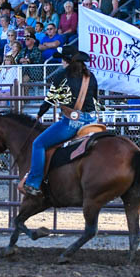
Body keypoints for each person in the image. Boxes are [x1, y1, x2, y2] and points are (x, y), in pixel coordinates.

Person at [22, 50, 100, 198]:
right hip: (92, 121)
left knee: (39, 143)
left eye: (63, 60)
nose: (62, 63)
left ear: (66, 62)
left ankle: (33, 183)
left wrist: (39, 114)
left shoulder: (61, 76)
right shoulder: (91, 77)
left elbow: (49, 100)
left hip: (73, 122)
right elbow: (95, 98)